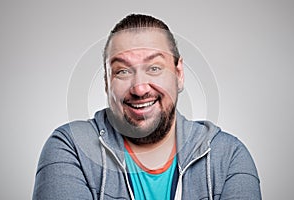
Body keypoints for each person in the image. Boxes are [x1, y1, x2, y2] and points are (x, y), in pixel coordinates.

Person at [33, 14, 261, 200]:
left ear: (179, 74)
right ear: (106, 82)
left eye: (154, 68)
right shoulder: (70, 146)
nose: (140, 88)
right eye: (122, 71)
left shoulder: (228, 155)